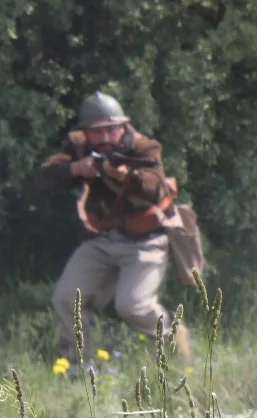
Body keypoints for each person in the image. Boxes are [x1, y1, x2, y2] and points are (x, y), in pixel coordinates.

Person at [38, 92, 190, 365]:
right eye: (98, 132)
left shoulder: (145, 147)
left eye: (112, 129)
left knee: (133, 307)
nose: (107, 137)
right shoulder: (78, 146)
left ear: (123, 126)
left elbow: (157, 189)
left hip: (146, 242)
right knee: (66, 298)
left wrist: (128, 177)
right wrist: (76, 169)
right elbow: (45, 176)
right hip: (102, 240)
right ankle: (76, 366)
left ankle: (175, 343)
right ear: (85, 133)